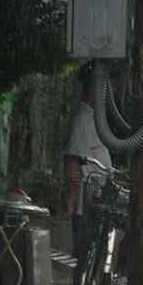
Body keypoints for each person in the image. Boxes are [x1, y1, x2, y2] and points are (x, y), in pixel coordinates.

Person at [62, 67, 111, 262]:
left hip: (95, 199)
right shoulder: (82, 119)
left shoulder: (93, 118)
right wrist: (72, 201)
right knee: (84, 256)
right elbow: (73, 162)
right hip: (86, 201)